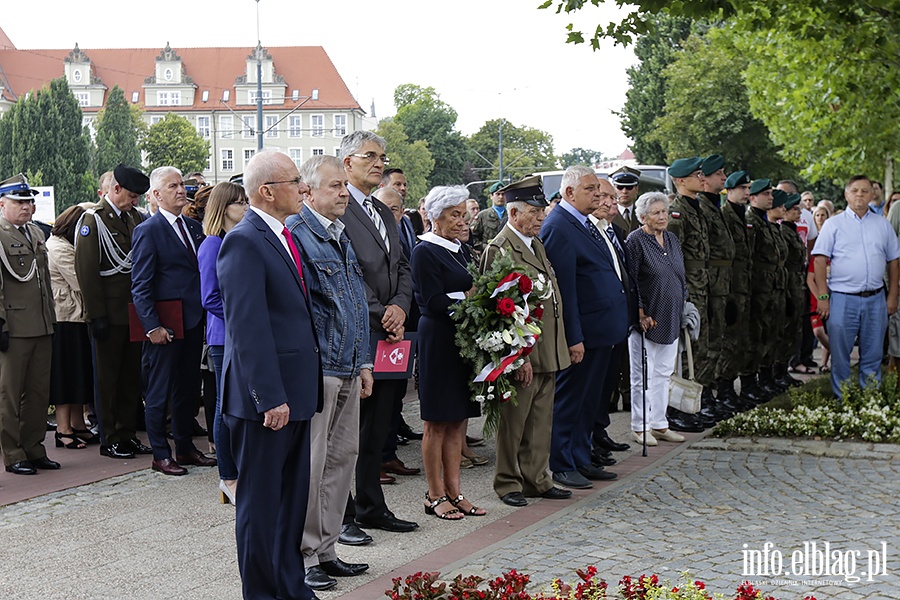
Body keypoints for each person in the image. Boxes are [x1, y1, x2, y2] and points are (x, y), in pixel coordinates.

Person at [218, 149, 322, 600]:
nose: (304, 188)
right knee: (261, 509)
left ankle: (289, 587)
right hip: (266, 400)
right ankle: (261, 593)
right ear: (267, 190)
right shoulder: (244, 239)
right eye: (296, 180)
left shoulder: (283, 234)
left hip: (294, 392)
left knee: (290, 505)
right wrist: (269, 396)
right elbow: (247, 327)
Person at [287, 155, 372, 591]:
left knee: (342, 460)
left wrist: (365, 362)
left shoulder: (341, 235)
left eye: (344, 185)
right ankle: (304, 555)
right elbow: (301, 311)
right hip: (320, 370)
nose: (344, 193)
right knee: (314, 465)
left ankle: (328, 547)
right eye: (336, 186)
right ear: (308, 191)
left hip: (348, 366)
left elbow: (355, 301)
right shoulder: (299, 236)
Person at [339, 131, 418, 533]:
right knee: (350, 427)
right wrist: (380, 313)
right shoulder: (338, 207)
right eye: (370, 155)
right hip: (359, 331)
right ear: (347, 161)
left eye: (382, 156)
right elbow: (347, 270)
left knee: (380, 423)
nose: (379, 162)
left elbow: (402, 266)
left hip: (392, 331)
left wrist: (400, 308)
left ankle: (372, 504)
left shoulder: (384, 210)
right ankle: (345, 512)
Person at [480, 175, 572, 507]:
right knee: (514, 423)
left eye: (542, 210)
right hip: (523, 351)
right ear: (514, 213)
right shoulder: (501, 248)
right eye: (534, 212)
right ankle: (508, 482)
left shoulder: (535, 243)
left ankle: (537, 478)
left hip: (546, 347)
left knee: (541, 419)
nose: (541, 217)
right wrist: (516, 357)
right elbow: (498, 310)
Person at [540, 166, 628, 490]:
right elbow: (563, 290)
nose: (597, 195)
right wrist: (572, 336)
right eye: (591, 189)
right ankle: (562, 463)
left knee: (589, 400)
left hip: (601, 330)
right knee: (570, 400)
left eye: (598, 189)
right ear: (569, 193)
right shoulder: (560, 226)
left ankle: (581, 456)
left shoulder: (586, 223)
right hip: (582, 334)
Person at [131, 166, 216, 475]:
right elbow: (141, 284)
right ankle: (160, 454)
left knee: (187, 389)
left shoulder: (194, 227)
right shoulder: (148, 230)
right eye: (172, 186)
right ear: (156, 194)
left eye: (182, 184)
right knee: (158, 390)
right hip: (165, 325)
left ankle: (185, 447)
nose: (181, 190)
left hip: (193, 321)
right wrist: (151, 326)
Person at [412, 185, 486, 519]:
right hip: (438, 338)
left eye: (463, 213)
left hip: (462, 340)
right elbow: (430, 301)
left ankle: (456, 492)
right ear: (435, 216)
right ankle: (434, 494)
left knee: (458, 419)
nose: (462, 220)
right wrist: (468, 298)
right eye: (454, 214)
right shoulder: (425, 251)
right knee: (436, 422)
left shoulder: (461, 249)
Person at [75, 164, 151, 459]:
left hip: (132, 312)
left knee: (130, 378)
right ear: (115, 189)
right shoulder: (92, 220)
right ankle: (110, 438)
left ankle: (127, 433)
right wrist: (96, 315)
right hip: (108, 312)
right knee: (107, 379)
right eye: (132, 195)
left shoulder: (133, 218)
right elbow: (87, 271)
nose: (136, 201)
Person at [813, 175, 900, 398]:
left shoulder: (883, 225)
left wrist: (892, 296)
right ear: (846, 194)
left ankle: (869, 401)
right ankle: (843, 400)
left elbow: (894, 261)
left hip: (875, 298)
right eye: (855, 191)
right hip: (842, 298)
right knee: (841, 354)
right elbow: (820, 260)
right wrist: (823, 297)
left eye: (864, 191)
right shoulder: (833, 224)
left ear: (872, 194)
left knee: (872, 353)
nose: (859, 195)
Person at [0, 174, 58, 475]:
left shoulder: (35, 232)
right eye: (19, 201)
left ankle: (34, 447)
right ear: (2, 204)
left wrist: (52, 318)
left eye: (29, 201)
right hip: (14, 325)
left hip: (41, 323)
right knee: (8, 395)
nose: (27, 206)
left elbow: (43, 282)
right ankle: (13, 453)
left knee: (38, 393)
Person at [198, 181, 248, 504]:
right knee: (222, 406)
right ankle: (227, 476)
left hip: (238, 332)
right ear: (223, 208)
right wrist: (243, 317)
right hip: (222, 335)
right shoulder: (212, 245)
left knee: (234, 404)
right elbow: (210, 297)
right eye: (239, 203)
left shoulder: (236, 240)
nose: (245, 207)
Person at [625, 192, 688, 445]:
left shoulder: (672, 239)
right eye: (656, 213)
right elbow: (631, 280)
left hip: (671, 314)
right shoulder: (635, 241)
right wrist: (640, 311)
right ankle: (640, 427)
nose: (663, 217)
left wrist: (684, 303)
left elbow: (680, 274)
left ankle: (660, 423)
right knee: (642, 375)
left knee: (663, 374)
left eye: (665, 211)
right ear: (643, 217)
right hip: (647, 318)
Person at [586, 178, 635, 465]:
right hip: (598, 321)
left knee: (608, 380)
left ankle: (600, 430)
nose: (609, 203)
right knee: (594, 385)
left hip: (618, 318)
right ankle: (591, 438)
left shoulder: (614, 231)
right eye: (603, 197)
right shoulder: (588, 232)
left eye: (612, 198)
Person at [665, 157, 710, 431]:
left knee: (698, 348)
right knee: (684, 353)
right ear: (681, 180)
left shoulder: (698, 208)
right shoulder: (676, 213)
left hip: (703, 286)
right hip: (688, 288)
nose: (701, 179)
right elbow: (672, 257)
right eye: (697, 175)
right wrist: (680, 297)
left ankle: (691, 406)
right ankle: (676, 410)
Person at [47, 206, 95, 450]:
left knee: (78, 373)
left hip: (75, 317)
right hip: (65, 318)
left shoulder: (64, 245)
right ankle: (62, 428)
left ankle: (77, 423)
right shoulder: (58, 248)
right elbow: (80, 280)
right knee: (66, 375)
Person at [696, 155, 738, 420]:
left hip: (722, 283)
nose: (723, 178)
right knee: (707, 344)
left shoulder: (715, 206)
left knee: (718, 341)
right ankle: (703, 396)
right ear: (705, 178)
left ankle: (711, 393)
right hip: (707, 285)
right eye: (719, 174)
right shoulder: (702, 207)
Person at [719, 171, 760, 407]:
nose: (747, 193)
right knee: (730, 341)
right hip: (730, 287)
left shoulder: (744, 217)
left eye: (748, 189)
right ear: (730, 191)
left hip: (746, 286)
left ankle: (735, 389)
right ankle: (724, 390)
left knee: (743, 339)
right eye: (743, 188)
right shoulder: (725, 216)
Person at [469, 181, 507, 253]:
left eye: (503, 194)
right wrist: (486, 247)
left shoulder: (511, 215)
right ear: (491, 196)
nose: (501, 197)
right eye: (497, 194)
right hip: (488, 255)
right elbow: (472, 238)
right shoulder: (483, 216)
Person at [610, 166, 642, 235]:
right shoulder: (607, 214)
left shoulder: (644, 213)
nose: (624, 191)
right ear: (614, 189)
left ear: (636, 189)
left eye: (629, 187)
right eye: (620, 187)